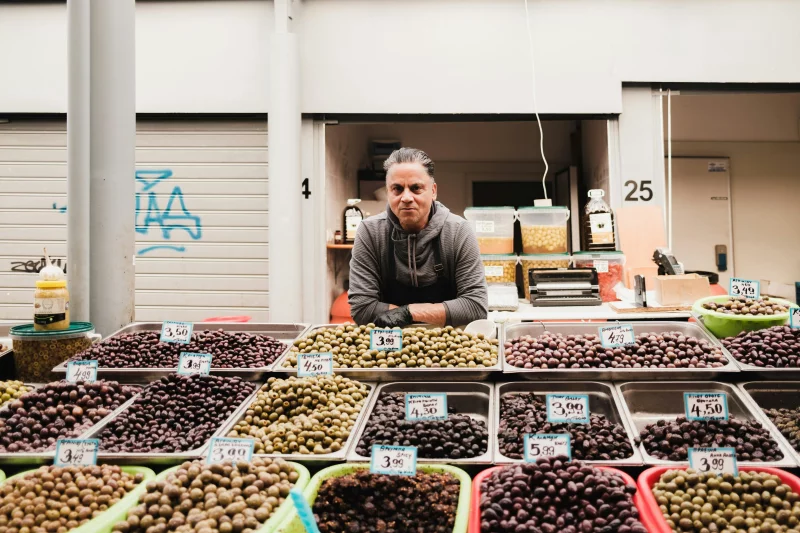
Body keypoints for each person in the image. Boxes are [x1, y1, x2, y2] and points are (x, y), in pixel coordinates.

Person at [348, 147, 488, 327]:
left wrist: (408, 313)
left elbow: (475, 307)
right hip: (387, 347)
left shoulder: (458, 232)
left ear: (433, 191)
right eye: (397, 189)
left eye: (416, 188)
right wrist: (435, 313)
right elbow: (362, 308)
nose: (406, 197)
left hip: (451, 346)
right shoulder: (370, 232)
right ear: (388, 192)